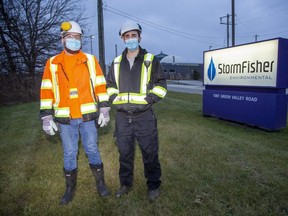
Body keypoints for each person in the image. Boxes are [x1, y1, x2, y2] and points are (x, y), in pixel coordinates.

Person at [40, 21, 111, 205]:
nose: (74, 40)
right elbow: (47, 89)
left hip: (87, 118)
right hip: (65, 119)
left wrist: (104, 107)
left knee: (92, 149)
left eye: (77, 37)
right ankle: (70, 189)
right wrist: (47, 117)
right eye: (70, 37)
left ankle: (101, 184)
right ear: (62, 39)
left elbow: (100, 85)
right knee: (69, 153)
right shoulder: (53, 63)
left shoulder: (90, 60)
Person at [106, 20, 167, 201]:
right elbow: (109, 85)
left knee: (150, 153)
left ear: (139, 37)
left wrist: (149, 99)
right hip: (123, 117)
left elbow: (161, 85)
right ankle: (125, 184)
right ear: (122, 38)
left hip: (144, 116)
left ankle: (154, 185)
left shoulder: (151, 60)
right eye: (127, 36)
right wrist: (114, 101)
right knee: (125, 153)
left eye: (134, 35)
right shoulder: (116, 62)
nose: (131, 39)